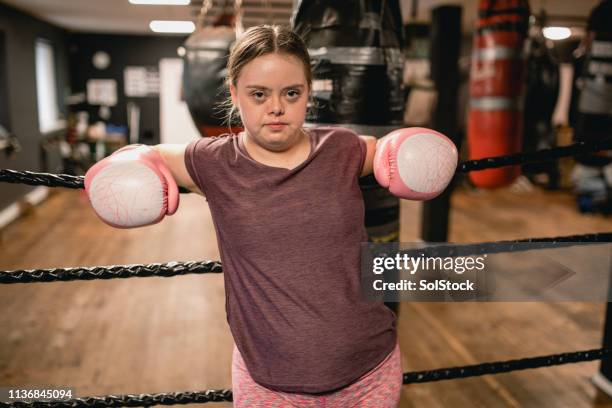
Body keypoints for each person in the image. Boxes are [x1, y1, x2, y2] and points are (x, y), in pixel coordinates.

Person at [84, 25, 457, 407]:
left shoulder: (340, 147)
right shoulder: (213, 161)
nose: (276, 108)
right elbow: (151, 154)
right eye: (258, 94)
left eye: (291, 93)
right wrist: (133, 162)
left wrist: (409, 152)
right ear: (234, 93)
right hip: (271, 383)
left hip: (369, 370)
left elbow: (386, 152)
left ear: (307, 93)